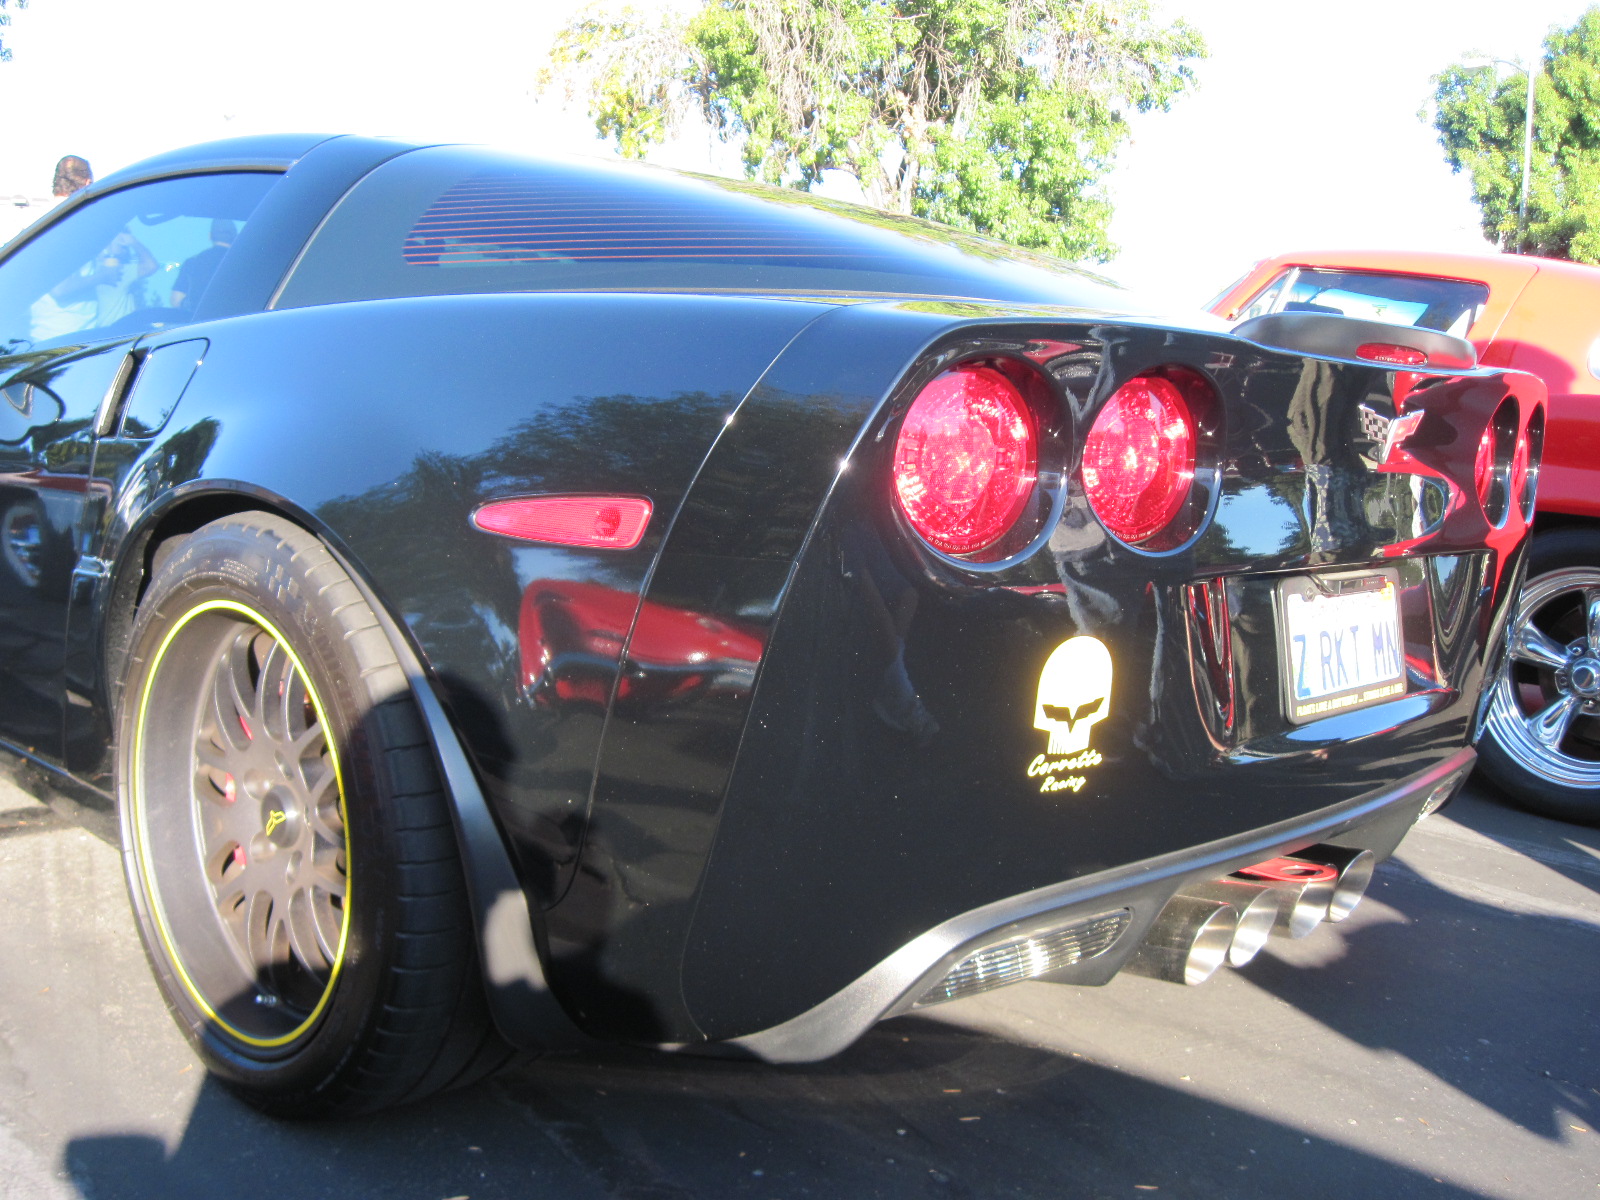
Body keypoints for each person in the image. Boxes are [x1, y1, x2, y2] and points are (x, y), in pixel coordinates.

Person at [170, 218, 236, 311]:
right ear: (235, 237)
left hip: (200, 321)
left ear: (210, 236)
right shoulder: (244, 263)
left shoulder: (192, 262)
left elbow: (176, 300)